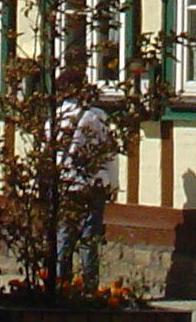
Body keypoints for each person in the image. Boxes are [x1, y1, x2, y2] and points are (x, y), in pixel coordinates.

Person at [54, 70, 117, 291]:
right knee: (89, 238)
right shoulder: (95, 117)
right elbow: (108, 154)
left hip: (64, 184)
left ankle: (60, 284)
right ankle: (89, 287)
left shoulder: (53, 118)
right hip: (91, 184)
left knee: (64, 235)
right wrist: (113, 184)